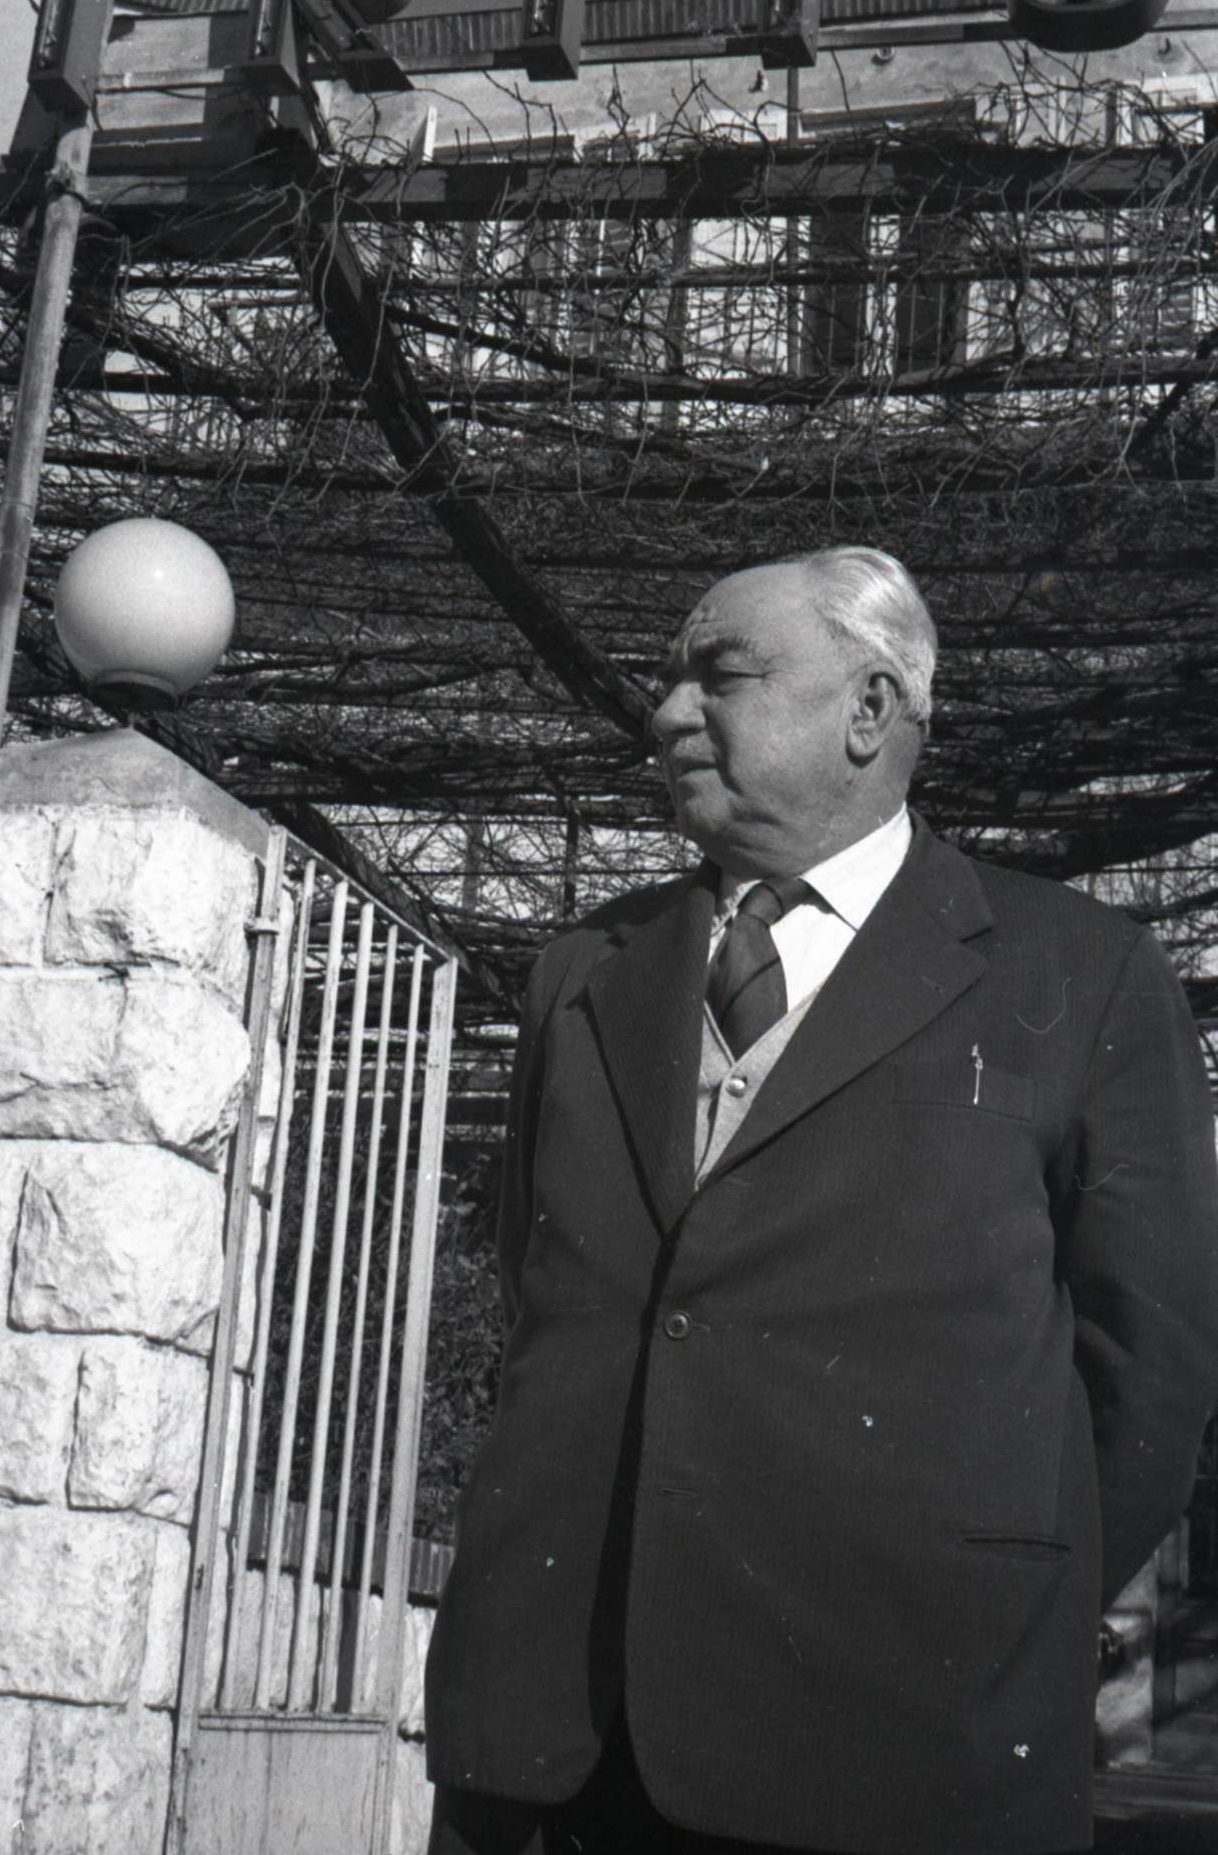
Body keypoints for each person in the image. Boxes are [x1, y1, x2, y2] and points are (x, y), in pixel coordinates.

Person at [424, 546, 1218, 1855]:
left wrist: (990, 1614)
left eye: (721, 677)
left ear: (869, 709)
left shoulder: (1083, 976)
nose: (667, 713)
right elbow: (543, 1289)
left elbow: (1153, 1375)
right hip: (555, 1753)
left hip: (904, 1753)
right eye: (670, 680)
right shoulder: (581, 971)